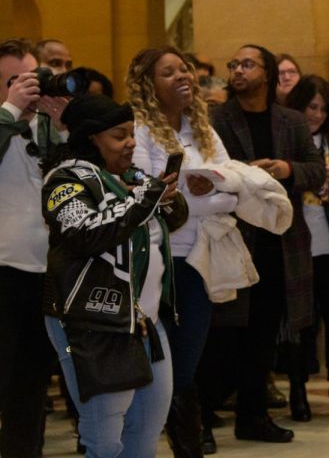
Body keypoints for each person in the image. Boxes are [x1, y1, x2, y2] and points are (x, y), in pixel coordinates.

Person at [42, 93, 188, 458]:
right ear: (92, 138)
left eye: (132, 134)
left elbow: (174, 217)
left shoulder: (128, 175)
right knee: (105, 441)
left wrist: (163, 195)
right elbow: (84, 233)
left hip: (145, 320)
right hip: (94, 322)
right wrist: (144, 199)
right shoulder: (65, 179)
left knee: (146, 430)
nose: (131, 143)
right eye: (119, 135)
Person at [209, 44, 325, 443]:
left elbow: (316, 171)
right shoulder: (216, 120)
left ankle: (252, 417)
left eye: (246, 64)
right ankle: (202, 419)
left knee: (262, 335)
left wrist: (286, 169)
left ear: (268, 73)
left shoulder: (291, 121)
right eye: (233, 64)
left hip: (278, 242)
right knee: (222, 337)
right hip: (230, 240)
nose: (237, 70)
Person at [127, 46, 235, 458]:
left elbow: (233, 187)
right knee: (160, 365)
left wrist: (195, 193)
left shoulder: (202, 129)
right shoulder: (140, 130)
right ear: (148, 85)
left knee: (186, 362)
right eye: (169, 72)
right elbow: (150, 198)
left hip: (199, 260)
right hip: (158, 262)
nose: (183, 76)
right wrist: (202, 191)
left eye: (184, 69)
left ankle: (186, 439)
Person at [0, 38, 65, 457]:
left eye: (31, 78)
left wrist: (62, 127)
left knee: (31, 384)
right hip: (1, 269)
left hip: (45, 271)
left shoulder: (46, 127)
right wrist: (9, 110)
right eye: (13, 80)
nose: (27, 88)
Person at [283, 74, 329, 421]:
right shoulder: (284, 142)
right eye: (311, 107)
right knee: (301, 323)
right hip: (297, 243)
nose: (316, 115)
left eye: (323, 109)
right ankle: (298, 391)